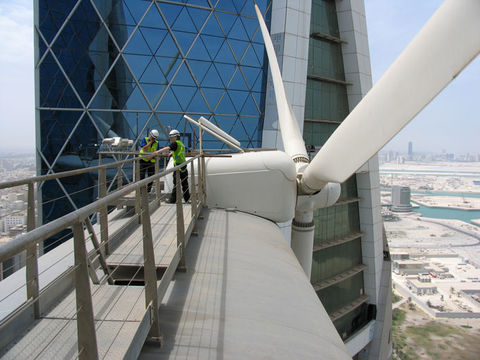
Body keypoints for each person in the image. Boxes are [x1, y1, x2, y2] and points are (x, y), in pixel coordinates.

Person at [155, 129, 190, 203]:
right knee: (184, 184)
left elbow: (168, 148)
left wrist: (157, 151)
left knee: (176, 184)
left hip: (178, 167)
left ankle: (173, 200)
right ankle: (187, 199)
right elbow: (178, 151)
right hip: (183, 165)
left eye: (171, 137)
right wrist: (172, 153)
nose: (170, 138)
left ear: (176, 137)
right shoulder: (180, 143)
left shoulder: (175, 143)